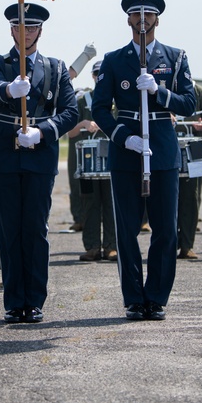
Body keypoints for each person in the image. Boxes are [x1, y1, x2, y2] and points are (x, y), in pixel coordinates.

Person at [92, 0, 196, 322]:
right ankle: (134, 298)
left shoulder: (175, 57)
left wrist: (159, 91)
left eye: (148, 14)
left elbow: (189, 104)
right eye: (137, 14)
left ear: (156, 19)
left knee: (166, 230)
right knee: (126, 230)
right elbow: (100, 110)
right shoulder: (113, 59)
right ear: (129, 19)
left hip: (163, 148)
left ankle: (157, 297)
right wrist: (124, 137)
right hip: (128, 150)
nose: (142, 19)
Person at [0, 3, 77, 323]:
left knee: (35, 229)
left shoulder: (56, 67)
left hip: (38, 153)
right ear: (10, 30)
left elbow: (70, 112)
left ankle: (34, 300)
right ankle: (13, 300)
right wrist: (9, 89)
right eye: (19, 28)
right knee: (8, 231)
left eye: (31, 28)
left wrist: (44, 131)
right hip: (3, 155)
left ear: (40, 32)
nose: (25, 33)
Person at [71, 61, 116, 262]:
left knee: (111, 204)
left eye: (103, 73)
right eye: (97, 73)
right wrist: (83, 123)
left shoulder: (117, 100)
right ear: (93, 76)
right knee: (89, 204)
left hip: (112, 161)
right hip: (87, 163)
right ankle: (92, 247)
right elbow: (69, 132)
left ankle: (111, 246)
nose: (100, 77)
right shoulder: (82, 101)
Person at [176, 81, 202, 259]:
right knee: (167, 198)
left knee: (192, 198)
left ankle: (187, 245)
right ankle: (170, 244)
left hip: (194, 147)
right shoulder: (163, 85)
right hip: (169, 146)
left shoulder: (198, 91)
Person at [64, 43, 97, 232]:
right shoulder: (81, 101)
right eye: (97, 74)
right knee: (77, 186)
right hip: (79, 149)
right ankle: (79, 218)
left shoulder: (111, 100)